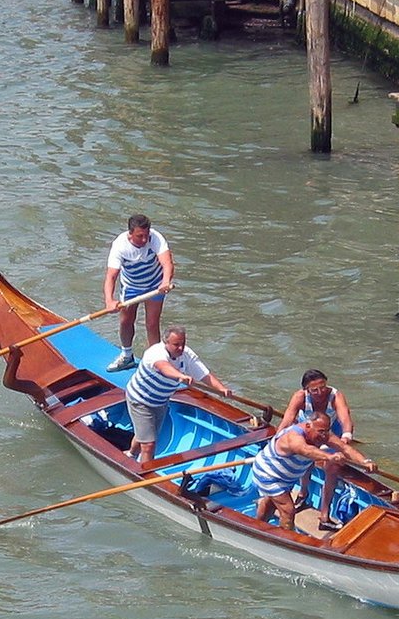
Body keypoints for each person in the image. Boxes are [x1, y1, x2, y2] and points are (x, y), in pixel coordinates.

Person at [123, 326, 231, 466]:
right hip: (139, 400)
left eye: (183, 344)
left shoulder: (186, 355)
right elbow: (164, 367)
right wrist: (181, 376)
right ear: (165, 342)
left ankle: (130, 453)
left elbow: (205, 375)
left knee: (147, 433)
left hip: (160, 401)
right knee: (149, 444)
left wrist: (222, 389)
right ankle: (145, 474)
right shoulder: (155, 353)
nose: (180, 348)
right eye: (176, 345)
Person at [252, 411, 374, 533]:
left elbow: (344, 448)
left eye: (326, 431)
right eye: (321, 431)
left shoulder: (324, 434)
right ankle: (286, 541)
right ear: (308, 426)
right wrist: (329, 457)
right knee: (288, 511)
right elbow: (306, 450)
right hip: (268, 474)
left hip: (286, 478)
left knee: (271, 503)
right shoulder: (293, 436)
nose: (324, 435)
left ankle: (256, 528)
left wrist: (365, 462)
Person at [283, 369, 357, 524]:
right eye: (314, 390)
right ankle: (303, 494)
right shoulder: (300, 397)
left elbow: (345, 418)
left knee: (333, 467)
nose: (320, 392)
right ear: (307, 390)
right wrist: (277, 439)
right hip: (308, 432)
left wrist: (346, 436)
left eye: (323, 387)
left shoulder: (336, 396)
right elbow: (288, 419)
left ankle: (325, 514)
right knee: (306, 459)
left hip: (331, 431)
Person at [102, 213, 175, 371]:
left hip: (156, 285)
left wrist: (166, 281)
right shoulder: (120, 246)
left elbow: (167, 263)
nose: (144, 240)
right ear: (130, 234)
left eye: (146, 235)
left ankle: (155, 362)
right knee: (126, 321)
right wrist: (109, 300)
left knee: (152, 323)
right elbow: (111, 276)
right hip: (131, 286)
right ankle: (127, 356)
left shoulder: (156, 238)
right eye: (139, 236)